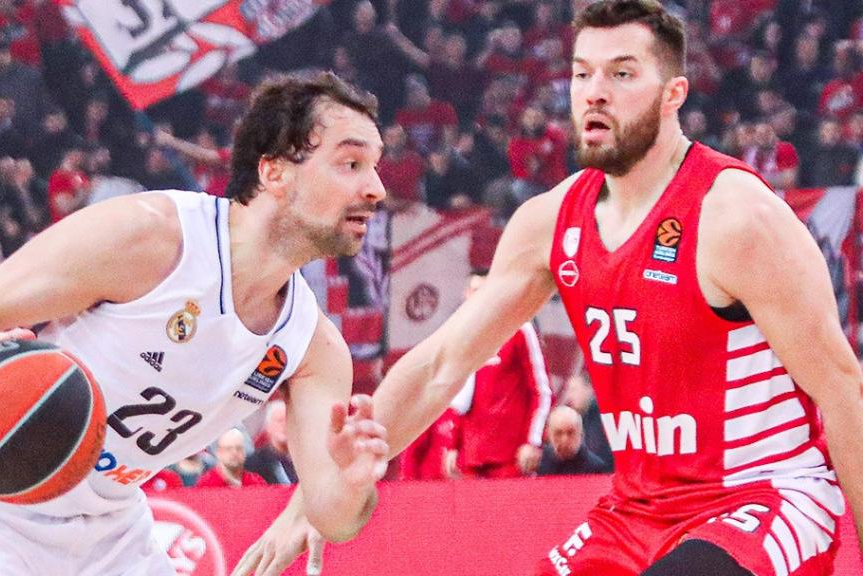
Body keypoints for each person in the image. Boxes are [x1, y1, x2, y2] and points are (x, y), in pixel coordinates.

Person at [236, 3, 863, 575]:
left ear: (674, 94)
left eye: (621, 74)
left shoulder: (737, 217)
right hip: (637, 508)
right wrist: (311, 501)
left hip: (761, 495)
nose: (594, 93)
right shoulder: (549, 223)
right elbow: (440, 366)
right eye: (582, 73)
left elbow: (841, 386)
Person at [0, 71, 390, 576]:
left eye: (375, 166)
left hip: (106, 529)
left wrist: (351, 481)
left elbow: (332, 514)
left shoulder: (314, 347)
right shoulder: (153, 238)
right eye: (350, 163)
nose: (376, 188)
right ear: (275, 172)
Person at [444, 269, 552, 479]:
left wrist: (533, 441)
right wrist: (452, 445)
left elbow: (542, 391)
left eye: (483, 291)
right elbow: (460, 396)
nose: (477, 297)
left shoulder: (520, 329)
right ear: (465, 295)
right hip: (471, 458)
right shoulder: (464, 339)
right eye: (473, 291)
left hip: (511, 459)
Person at [537, 405, 610, 476]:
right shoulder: (539, 464)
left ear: (581, 434)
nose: (564, 440)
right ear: (549, 435)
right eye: (558, 433)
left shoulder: (595, 469)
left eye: (571, 433)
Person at [245, 399, 298, 485]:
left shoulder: (305, 460)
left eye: (288, 421)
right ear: (268, 427)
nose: (284, 425)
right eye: (280, 421)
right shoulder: (253, 464)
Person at [196, 428, 268, 488]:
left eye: (238, 448)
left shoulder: (256, 482)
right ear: (219, 453)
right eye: (228, 449)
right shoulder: (206, 484)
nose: (234, 453)